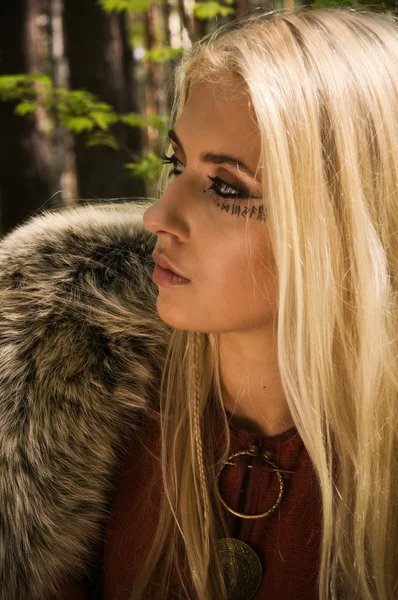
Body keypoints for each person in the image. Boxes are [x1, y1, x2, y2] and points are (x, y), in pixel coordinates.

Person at [0, 5, 397, 600]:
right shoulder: (72, 407)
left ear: (345, 223)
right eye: (175, 164)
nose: (157, 215)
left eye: (227, 186)